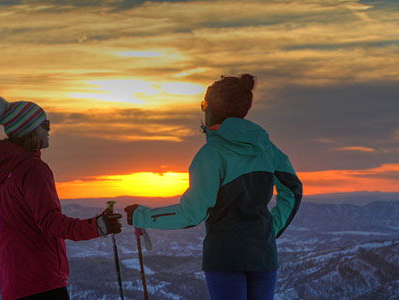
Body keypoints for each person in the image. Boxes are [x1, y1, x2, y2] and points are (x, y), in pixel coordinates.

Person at [123, 74, 303, 300]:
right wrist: (269, 230)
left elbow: (192, 214)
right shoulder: (266, 148)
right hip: (264, 255)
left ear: (210, 110)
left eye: (203, 105)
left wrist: (143, 216)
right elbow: (292, 190)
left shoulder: (210, 156)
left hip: (224, 257)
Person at [0, 96, 122, 300]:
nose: (49, 130)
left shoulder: (5, 172)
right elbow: (50, 223)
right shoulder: (33, 168)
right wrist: (98, 226)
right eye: (45, 125)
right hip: (41, 281)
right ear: (30, 129)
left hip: (14, 281)